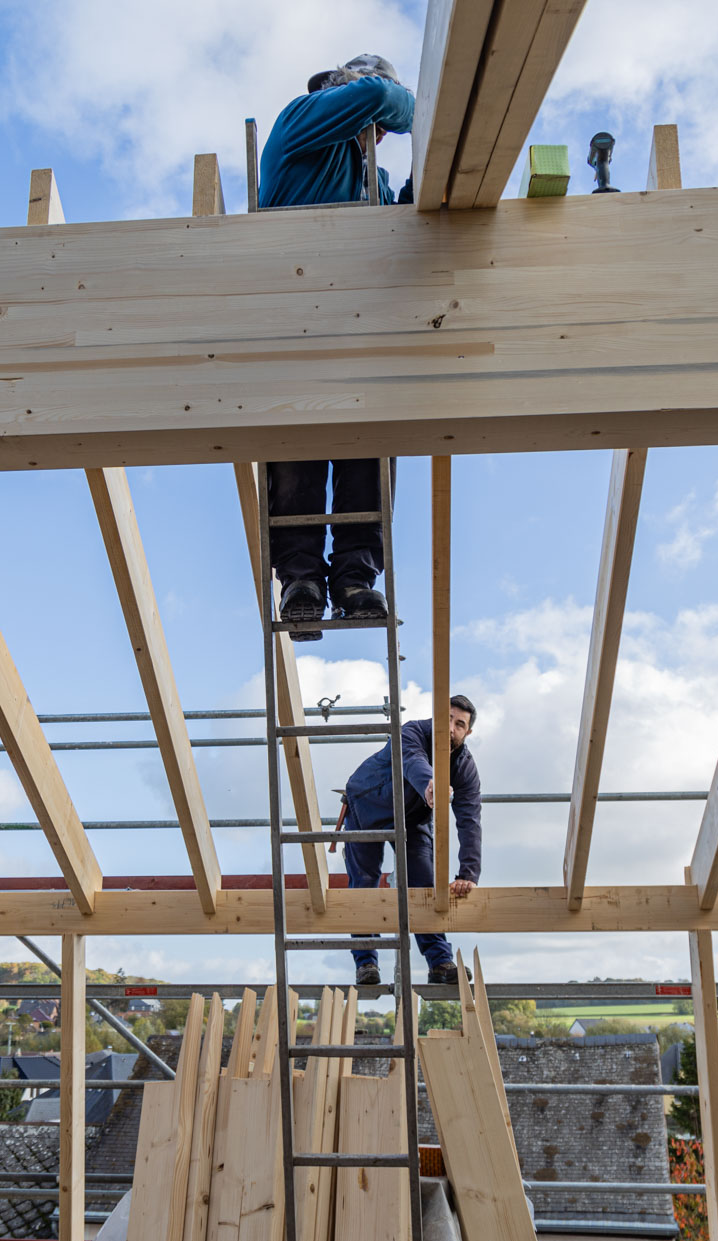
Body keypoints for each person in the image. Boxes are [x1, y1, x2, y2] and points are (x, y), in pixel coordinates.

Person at [257, 55, 414, 640]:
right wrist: (429, 118)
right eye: (368, 118)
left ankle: (354, 580)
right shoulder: (301, 123)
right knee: (296, 456)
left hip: (363, 327)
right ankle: (301, 579)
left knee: (366, 458)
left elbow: (401, 234)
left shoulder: (372, 179)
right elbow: (387, 101)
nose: (377, 134)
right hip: (295, 317)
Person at [341, 695, 481, 985]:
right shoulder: (412, 732)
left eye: (460, 724)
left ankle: (439, 961)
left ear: (468, 732)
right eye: (448, 719)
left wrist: (468, 873)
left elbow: (469, 820)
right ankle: (366, 963)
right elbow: (413, 762)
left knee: (423, 884)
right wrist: (430, 784)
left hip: (412, 817)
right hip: (368, 805)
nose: (452, 728)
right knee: (365, 883)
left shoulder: (464, 768)